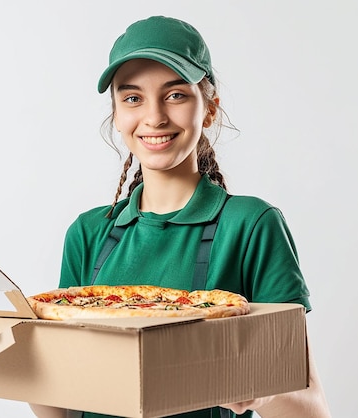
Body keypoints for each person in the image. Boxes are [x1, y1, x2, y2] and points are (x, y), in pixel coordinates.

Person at [30, 15, 331, 418]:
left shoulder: (251, 225)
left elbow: (312, 408)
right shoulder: (89, 233)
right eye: (133, 98)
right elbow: (64, 403)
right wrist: (25, 361)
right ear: (117, 115)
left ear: (209, 109)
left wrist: (260, 389)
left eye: (175, 95)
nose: (154, 118)